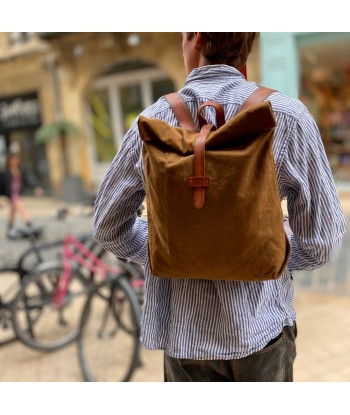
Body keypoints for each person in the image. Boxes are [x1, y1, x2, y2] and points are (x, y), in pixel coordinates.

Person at [94, 33, 346, 381]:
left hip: (185, 345)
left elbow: (109, 228)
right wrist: (260, 252)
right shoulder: (288, 116)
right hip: (262, 335)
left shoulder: (151, 123)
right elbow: (322, 244)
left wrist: (173, 249)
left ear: (195, 38)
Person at [0, 150, 43, 240]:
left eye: (17, 159)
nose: (16, 160)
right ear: (10, 160)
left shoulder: (21, 170)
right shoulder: (5, 172)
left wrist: (36, 188)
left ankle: (10, 228)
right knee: (21, 206)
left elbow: (28, 180)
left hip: (18, 193)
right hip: (11, 194)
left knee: (13, 211)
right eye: (14, 159)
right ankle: (29, 225)